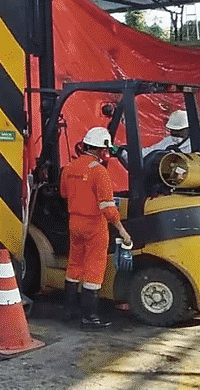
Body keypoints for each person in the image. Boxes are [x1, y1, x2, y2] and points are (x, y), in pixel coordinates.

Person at [60, 127, 134, 329]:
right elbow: (108, 208)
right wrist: (122, 230)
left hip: (74, 222)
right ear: (103, 151)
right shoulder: (99, 171)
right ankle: (89, 316)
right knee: (94, 268)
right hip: (94, 225)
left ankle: (68, 310)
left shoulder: (69, 168)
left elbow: (64, 194)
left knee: (74, 264)